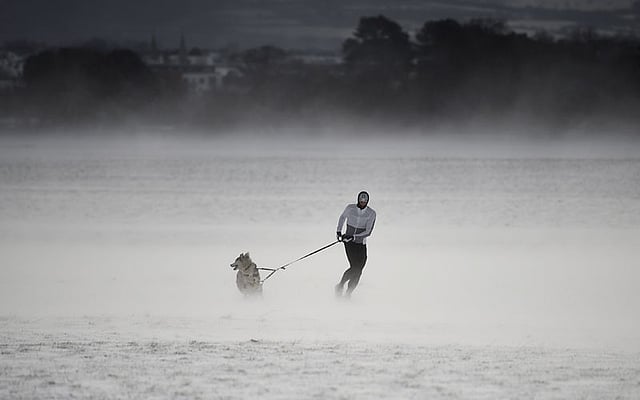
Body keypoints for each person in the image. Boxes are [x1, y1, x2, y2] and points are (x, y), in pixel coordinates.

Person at [335, 191, 376, 298]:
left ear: (367, 201)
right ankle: (340, 285)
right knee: (355, 267)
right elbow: (342, 217)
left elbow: (368, 232)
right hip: (349, 243)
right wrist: (339, 232)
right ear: (358, 200)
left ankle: (348, 294)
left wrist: (354, 236)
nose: (362, 203)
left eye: (365, 201)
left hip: (361, 243)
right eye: (361, 200)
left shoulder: (371, 213)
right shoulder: (350, 208)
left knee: (359, 270)